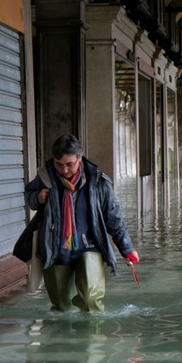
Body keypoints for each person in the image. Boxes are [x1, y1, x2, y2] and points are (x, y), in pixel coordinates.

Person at [25, 134, 139, 312]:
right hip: (55, 248)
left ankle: (92, 338)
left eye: (69, 164)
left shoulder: (98, 182)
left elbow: (114, 218)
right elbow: (29, 196)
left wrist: (127, 249)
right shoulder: (45, 177)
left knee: (91, 301)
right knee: (61, 307)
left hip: (89, 246)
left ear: (80, 159)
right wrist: (38, 198)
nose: (64, 170)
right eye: (59, 165)